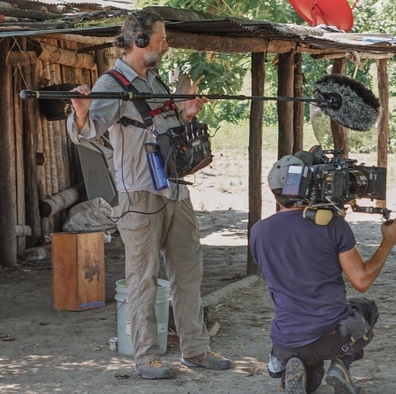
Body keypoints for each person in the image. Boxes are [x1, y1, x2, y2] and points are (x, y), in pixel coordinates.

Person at [66, 10, 231, 379]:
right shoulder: (111, 84)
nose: (165, 44)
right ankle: (146, 357)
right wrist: (79, 112)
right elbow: (86, 132)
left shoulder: (153, 79)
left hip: (174, 188)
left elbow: (163, 126)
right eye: (161, 38)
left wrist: (185, 114)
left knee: (188, 270)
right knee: (143, 276)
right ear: (140, 41)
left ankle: (196, 350)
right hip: (139, 194)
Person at [250, 153, 396, 394]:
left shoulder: (258, 231)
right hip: (332, 337)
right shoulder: (332, 226)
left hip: (286, 339)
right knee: (366, 307)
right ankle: (340, 366)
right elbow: (361, 281)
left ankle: (292, 363)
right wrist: (388, 243)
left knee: (310, 385)